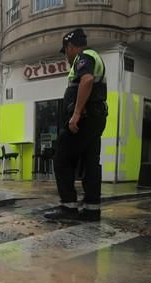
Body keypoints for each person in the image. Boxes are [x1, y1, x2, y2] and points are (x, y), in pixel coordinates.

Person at [44, 28, 108, 222]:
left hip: (84, 120)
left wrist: (76, 114)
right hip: (95, 119)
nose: (66, 57)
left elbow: (87, 80)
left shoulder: (85, 56)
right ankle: (91, 209)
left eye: (66, 51)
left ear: (70, 46)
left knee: (62, 159)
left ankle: (68, 207)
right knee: (90, 164)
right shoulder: (93, 56)